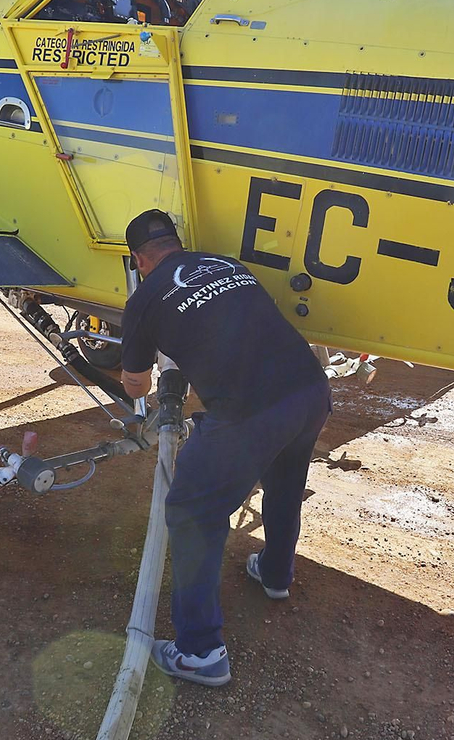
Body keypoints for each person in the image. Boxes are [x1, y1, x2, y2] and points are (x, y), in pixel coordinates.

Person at [117, 209, 331, 687]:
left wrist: (147, 361)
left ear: (138, 260)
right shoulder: (225, 264)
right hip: (309, 390)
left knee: (192, 511)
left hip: (249, 410)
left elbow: (136, 386)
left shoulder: (145, 297)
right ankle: (275, 574)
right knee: (284, 483)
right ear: (177, 244)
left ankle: (200, 652)